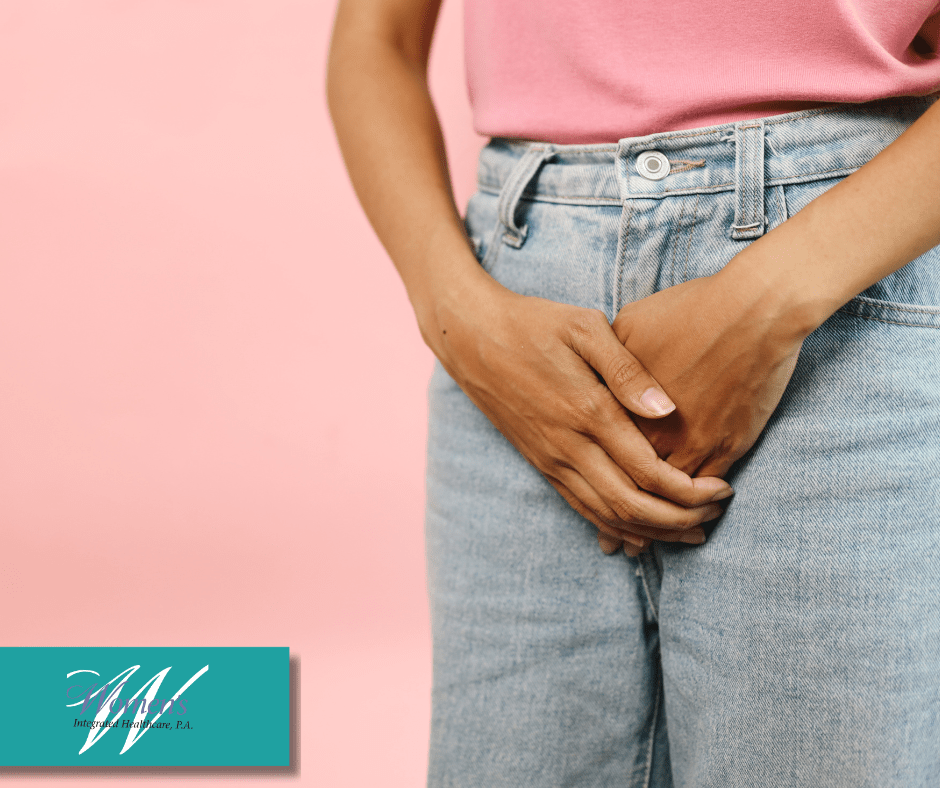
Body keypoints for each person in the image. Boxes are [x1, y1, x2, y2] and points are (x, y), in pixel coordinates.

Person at [326, 0, 940, 784]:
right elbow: (374, 38)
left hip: (843, 286)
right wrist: (456, 312)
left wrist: (767, 303)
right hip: (517, 307)